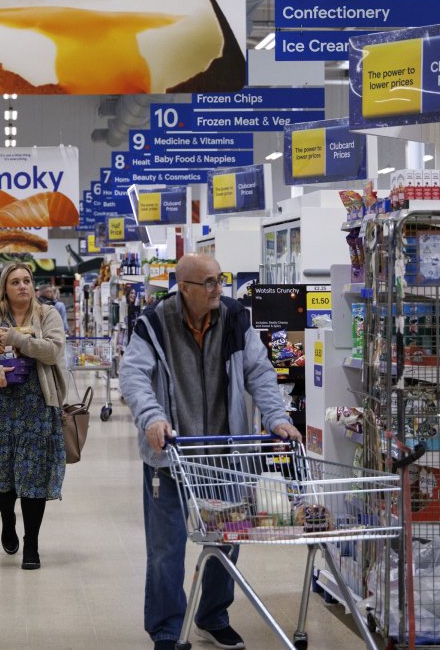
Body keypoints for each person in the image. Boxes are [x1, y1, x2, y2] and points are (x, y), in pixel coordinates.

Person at [118, 254, 302, 650]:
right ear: (184, 288)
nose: (219, 288)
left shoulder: (235, 318)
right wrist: (152, 417)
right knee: (166, 549)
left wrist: (276, 417)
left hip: (226, 455)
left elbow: (260, 372)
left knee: (226, 542)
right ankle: (167, 628)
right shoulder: (153, 322)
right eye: (210, 282)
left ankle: (212, 616)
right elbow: (133, 374)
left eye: (220, 279)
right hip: (172, 457)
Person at [0, 262, 67, 571]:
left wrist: (18, 340)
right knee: (0, 475)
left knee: (33, 480)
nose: (23, 286)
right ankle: (8, 519)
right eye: (16, 281)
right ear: (4, 288)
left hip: (38, 408)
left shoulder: (48, 316)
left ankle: (31, 544)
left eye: (27, 280)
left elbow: (53, 351)